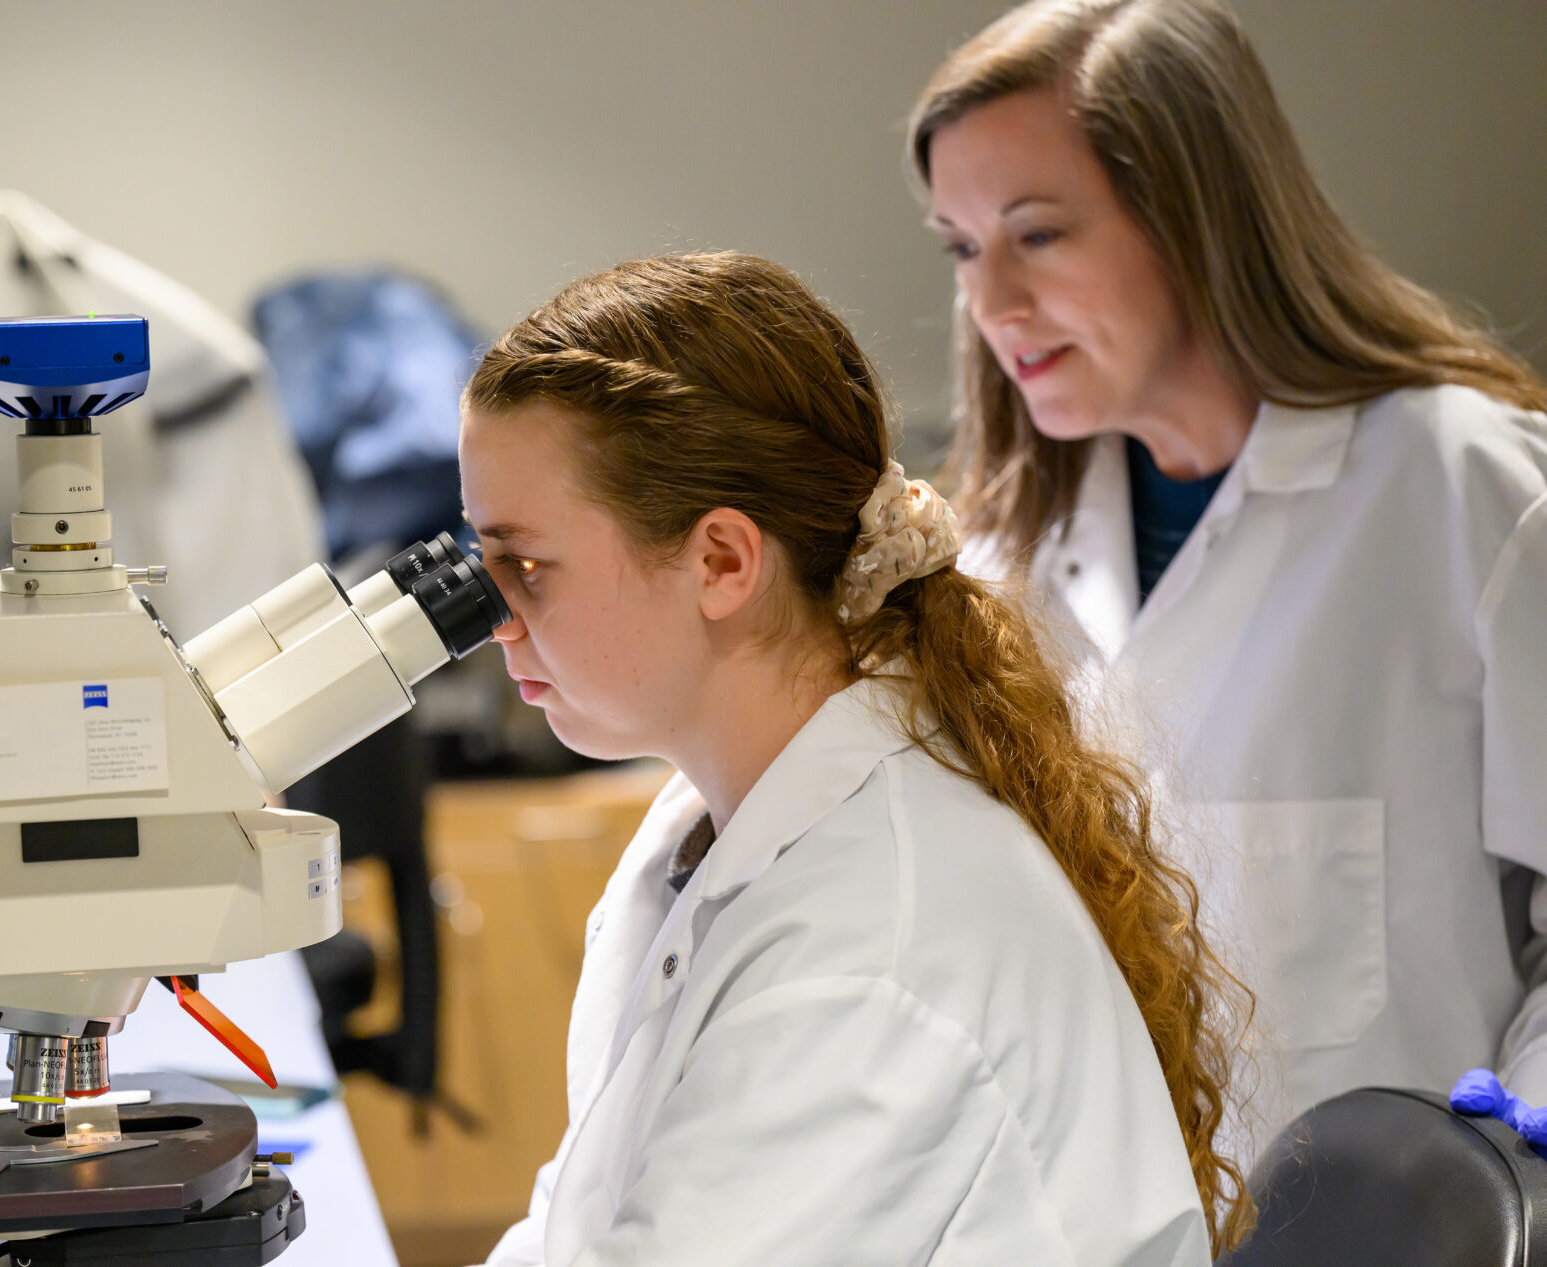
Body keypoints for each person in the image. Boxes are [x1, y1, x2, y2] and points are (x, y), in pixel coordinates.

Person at [460, 252, 1249, 1265]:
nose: (493, 621)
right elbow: (578, 1218)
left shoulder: (862, 950)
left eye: (523, 565)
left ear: (722, 562)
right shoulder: (726, 823)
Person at [907, 0, 1547, 1158]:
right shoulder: (997, 560)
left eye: (1036, 233)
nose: (990, 303)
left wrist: (1522, 1141)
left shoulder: (1460, 486)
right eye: (960, 246)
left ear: (1199, 219)